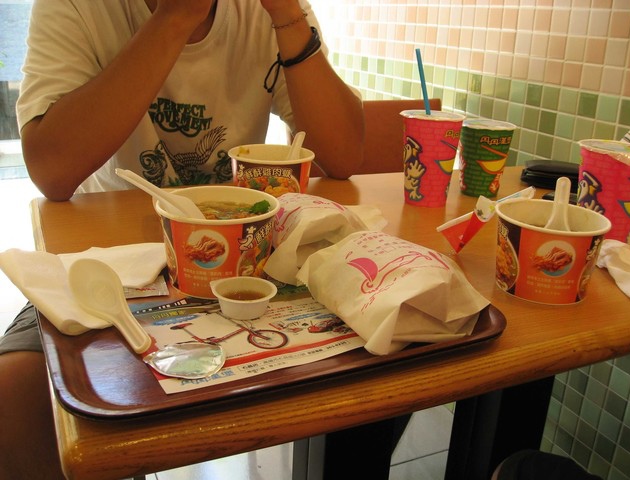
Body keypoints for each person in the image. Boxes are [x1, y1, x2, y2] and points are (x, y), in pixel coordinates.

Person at [0, 0, 364, 478]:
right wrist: (176, 16)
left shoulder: (266, 12)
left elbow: (343, 155)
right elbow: (52, 170)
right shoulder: (77, 7)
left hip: (248, 258)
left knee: (380, 362)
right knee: (15, 393)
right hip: (115, 264)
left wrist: (287, 14)